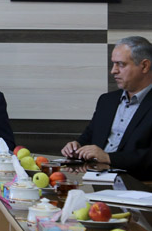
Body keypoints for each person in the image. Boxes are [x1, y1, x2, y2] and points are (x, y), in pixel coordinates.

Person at [61, 36, 152, 180]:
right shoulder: (106, 101)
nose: (113, 71)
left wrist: (108, 157)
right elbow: (88, 137)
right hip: (93, 178)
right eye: (113, 64)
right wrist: (76, 147)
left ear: (145, 66)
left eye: (120, 64)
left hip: (136, 183)